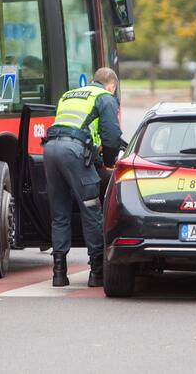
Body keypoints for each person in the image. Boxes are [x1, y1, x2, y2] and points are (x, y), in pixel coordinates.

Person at [43, 67, 123, 287]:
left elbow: (73, 127)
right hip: (74, 153)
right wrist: (108, 161)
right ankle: (96, 272)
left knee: (59, 214)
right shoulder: (105, 97)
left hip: (50, 150)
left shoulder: (69, 95)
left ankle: (59, 273)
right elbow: (112, 136)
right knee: (91, 210)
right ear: (111, 85)